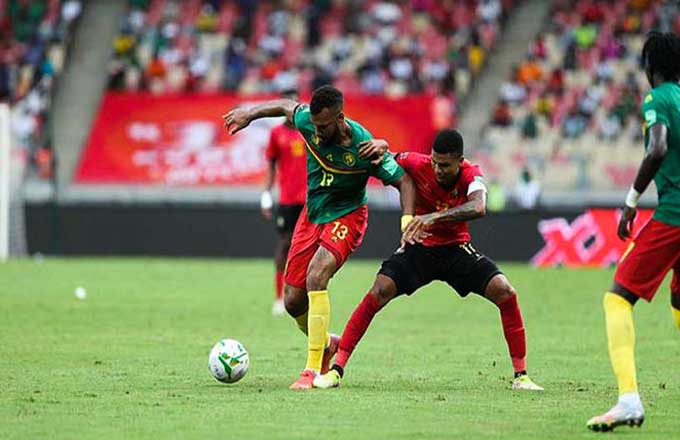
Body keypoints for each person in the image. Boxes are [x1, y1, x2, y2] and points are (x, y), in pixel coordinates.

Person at [312, 129, 543, 391]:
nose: (437, 169)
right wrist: (383, 144)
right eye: (434, 162)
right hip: (419, 249)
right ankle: (336, 370)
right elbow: (385, 159)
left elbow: (478, 207)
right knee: (379, 290)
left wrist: (431, 218)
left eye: (444, 165)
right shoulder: (417, 163)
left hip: (457, 250)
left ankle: (521, 376)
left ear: (460, 161)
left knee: (506, 292)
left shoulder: (472, 174)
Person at [223, 85, 416, 390]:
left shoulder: (365, 148)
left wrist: (407, 222)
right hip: (311, 215)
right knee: (292, 301)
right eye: (314, 125)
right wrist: (250, 114)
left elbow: (404, 181)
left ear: (340, 117)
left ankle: (312, 370)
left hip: (347, 216)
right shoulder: (308, 124)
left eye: (323, 126)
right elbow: (287, 106)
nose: (317, 132)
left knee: (317, 277)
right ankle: (327, 343)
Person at [587, 31, 680, 432]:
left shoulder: (658, 98)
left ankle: (628, 400)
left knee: (617, 299)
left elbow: (656, 148)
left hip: (674, 214)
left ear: (649, 67)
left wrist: (630, 200)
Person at [261, 90, 307, 316]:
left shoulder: (309, 131)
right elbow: (270, 165)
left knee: (309, 246)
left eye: (296, 104)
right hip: (288, 199)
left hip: (310, 199)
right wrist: (266, 194)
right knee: (285, 244)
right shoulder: (276, 133)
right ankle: (279, 298)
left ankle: (304, 293)